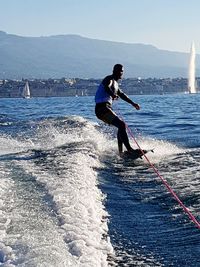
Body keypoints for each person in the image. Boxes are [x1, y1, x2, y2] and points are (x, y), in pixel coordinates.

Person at [95, 64, 141, 157]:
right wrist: (112, 95)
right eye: (120, 71)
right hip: (102, 108)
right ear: (115, 71)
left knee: (120, 126)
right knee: (122, 125)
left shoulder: (116, 84)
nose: (121, 73)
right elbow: (106, 87)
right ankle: (129, 150)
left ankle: (121, 152)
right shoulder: (109, 79)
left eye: (122, 71)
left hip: (106, 108)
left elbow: (122, 94)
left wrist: (133, 103)